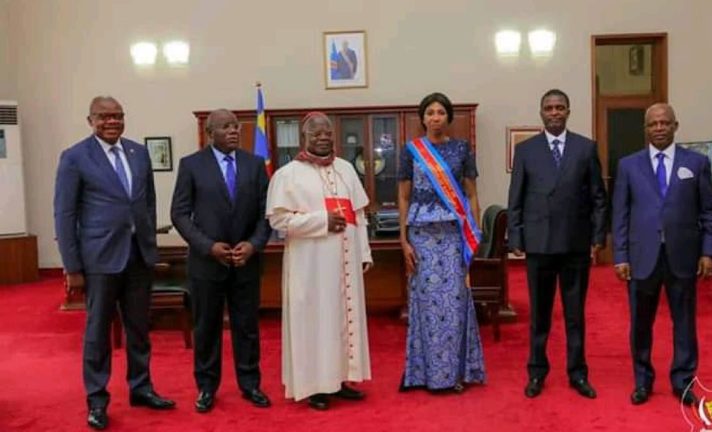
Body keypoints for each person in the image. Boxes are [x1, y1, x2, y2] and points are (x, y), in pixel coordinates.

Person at [54, 96, 175, 430]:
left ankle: (141, 388)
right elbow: (64, 215)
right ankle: (96, 400)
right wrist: (72, 266)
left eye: (118, 116)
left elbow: (148, 203)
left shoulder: (138, 153)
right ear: (90, 120)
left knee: (139, 328)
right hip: (99, 259)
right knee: (97, 333)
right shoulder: (75, 157)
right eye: (105, 117)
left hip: (138, 256)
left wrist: (149, 242)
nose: (113, 122)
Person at [612, 103, 712, 406]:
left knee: (684, 322)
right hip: (641, 257)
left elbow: (709, 212)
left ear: (675, 125)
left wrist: (709, 251)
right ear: (645, 129)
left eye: (664, 123)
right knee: (640, 323)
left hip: (682, 256)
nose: (658, 128)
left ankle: (683, 381)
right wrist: (620, 255)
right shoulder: (628, 166)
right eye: (652, 124)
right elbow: (620, 214)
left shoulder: (696, 163)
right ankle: (643, 381)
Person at [266, 111, 373, 411]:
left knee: (341, 318)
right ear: (304, 137)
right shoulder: (287, 174)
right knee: (314, 321)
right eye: (316, 133)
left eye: (327, 132)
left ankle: (339, 381)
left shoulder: (347, 169)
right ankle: (313, 386)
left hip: (346, 261)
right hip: (310, 264)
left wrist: (364, 251)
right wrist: (321, 221)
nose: (323, 137)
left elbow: (359, 214)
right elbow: (279, 220)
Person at [507, 89, 608, 399]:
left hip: (575, 245)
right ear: (541, 113)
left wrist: (597, 237)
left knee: (575, 315)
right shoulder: (526, 151)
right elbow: (516, 199)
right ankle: (537, 372)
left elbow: (598, 198)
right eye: (549, 108)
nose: (554, 112)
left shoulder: (585, 148)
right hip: (538, 246)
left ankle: (577, 373)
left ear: (568, 111)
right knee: (540, 315)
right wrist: (517, 237)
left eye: (560, 107)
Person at [170, 109, 272, 413]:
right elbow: (179, 213)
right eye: (225, 127)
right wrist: (206, 246)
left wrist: (253, 245)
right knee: (206, 327)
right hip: (206, 263)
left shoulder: (254, 165)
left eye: (235, 126)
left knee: (247, 327)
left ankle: (250, 384)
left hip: (246, 262)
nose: (233, 131)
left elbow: (267, 214)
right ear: (210, 132)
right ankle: (206, 387)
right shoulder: (191, 165)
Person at [398, 92, 486, 393]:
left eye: (440, 112)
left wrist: (473, 232)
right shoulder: (411, 151)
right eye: (430, 112)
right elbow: (404, 196)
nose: (435, 117)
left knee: (454, 301)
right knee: (426, 304)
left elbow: (472, 193)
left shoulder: (461, 149)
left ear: (448, 117)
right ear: (422, 118)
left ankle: (455, 373)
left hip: (452, 234)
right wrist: (403, 238)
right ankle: (425, 374)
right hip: (421, 236)